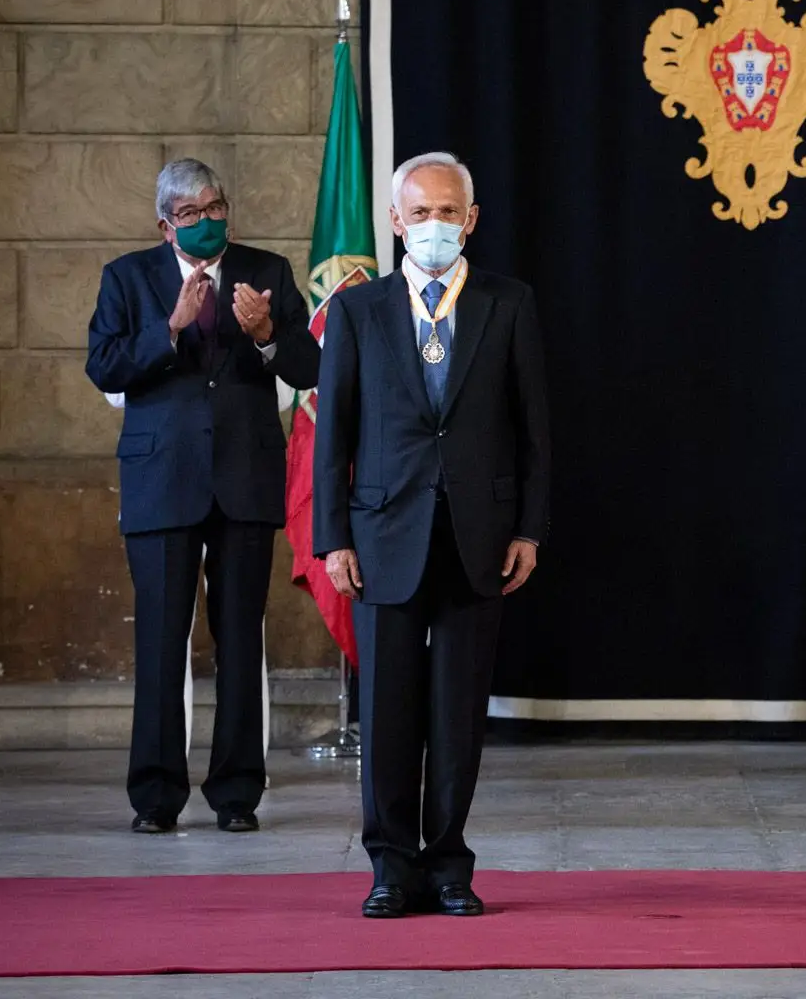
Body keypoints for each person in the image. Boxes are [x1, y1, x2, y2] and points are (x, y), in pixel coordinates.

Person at [313, 151, 551, 918]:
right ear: (394, 222)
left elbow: (534, 431)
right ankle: (390, 865)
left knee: (457, 712)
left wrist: (529, 529)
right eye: (420, 214)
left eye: (449, 213)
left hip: (478, 536)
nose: (435, 227)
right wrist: (333, 538)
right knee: (387, 711)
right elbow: (334, 435)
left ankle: (448, 863)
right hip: (382, 534)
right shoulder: (357, 312)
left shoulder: (508, 304)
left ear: (471, 220)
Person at [85, 158, 320, 835]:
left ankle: (237, 793)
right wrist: (166, 329)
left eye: (215, 207)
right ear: (165, 225)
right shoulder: (128, 278)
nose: (207, 220)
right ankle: (157, 797)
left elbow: (311, 368)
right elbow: (103, 364)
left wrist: (267, 336)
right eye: (190, 214)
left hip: (245, 479)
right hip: (163, 481)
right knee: (163, 640)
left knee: (241, 639)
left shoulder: (266, 271)